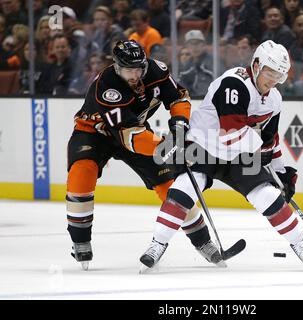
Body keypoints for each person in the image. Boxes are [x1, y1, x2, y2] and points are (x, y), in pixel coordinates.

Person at [140, 40, 303, 270]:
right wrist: (260, 150)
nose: (273, 80)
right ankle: (158, 244)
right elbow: (231, 135)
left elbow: (270, 140)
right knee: (183, 190)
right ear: (256, 65)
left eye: (280, 76)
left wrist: (281, 171)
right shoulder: (233, 84)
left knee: (267, 195)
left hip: (238, 153)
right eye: (270, 72)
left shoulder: (275, 100)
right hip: (204, 146)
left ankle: (300, 244)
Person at [66, 40, 223, 269]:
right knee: (82, 173)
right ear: (117, 67)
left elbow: (178, 96)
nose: (135, 75)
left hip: (136, 131)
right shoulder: (106, 87)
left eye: (139, 68)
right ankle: (80, 242)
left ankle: (203, 241)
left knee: (171, 187)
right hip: (94, 133)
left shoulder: (157, 71)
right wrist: (169, 147)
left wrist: (179, 124)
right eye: (129, 70)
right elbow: (131, 136)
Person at [178, 30, 215, 98]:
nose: (194, 47)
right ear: (187, 46)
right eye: (191, 44)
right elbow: (181, 86)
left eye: (197, 43)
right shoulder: (188, 65)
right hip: (192, 101)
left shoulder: (213, 62)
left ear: (203, 45)